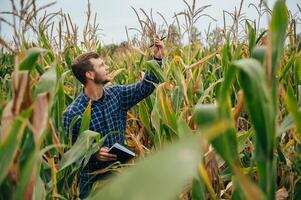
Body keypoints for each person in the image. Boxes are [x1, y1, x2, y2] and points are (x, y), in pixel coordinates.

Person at [62, 35, 164, 198]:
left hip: (119, 177)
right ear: (89, 74)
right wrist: (94, 154)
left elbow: (145, 87)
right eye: (102, 65)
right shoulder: (73, 113)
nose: (107, 67)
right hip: (93, 185)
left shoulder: (117, 95)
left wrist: (157, 58)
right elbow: (71, 156)